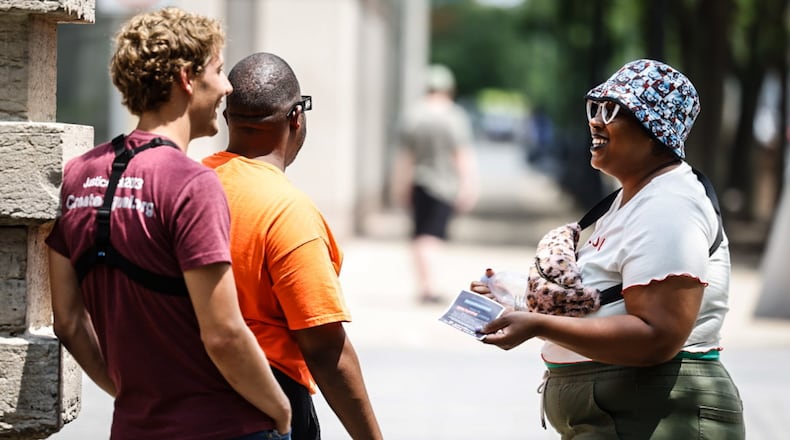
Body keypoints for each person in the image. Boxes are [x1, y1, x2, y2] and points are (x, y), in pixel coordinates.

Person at [47, 8, 291, 439]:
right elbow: (224, 335)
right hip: (223, 427)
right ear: (186, 78)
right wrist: (280, 409)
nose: (227, 86)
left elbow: (67, 320)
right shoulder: (192, 183)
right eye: (217, 69)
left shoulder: (79, 174)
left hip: (135, 427)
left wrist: (126, 392)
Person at [471, 59, 745, 439]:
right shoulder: (629, 201)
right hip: (622, 416)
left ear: (656, 129)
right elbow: (603, 298)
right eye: (594, 108)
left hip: (656, 418)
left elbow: (657, 335)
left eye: (613, 110)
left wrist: (537, 324)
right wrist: (519, 297)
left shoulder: (669, 206)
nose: (596, 121)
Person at [202, 52, 383, 440]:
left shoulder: (190, 184)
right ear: (296, 117)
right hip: (264, 405)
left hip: (183, 391)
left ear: (226, 118)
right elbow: (323, 349)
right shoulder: (287, 212)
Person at [391, 64, 479, 304]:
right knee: (432, 236)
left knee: (421, 233)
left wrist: (400, 186)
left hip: (419, 182)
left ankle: (425, 284)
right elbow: (462, 155)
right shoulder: (454, 116)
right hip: (445, 185)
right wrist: (468, 186)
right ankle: (430, 287)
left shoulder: (413, 115)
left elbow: (404, 157)